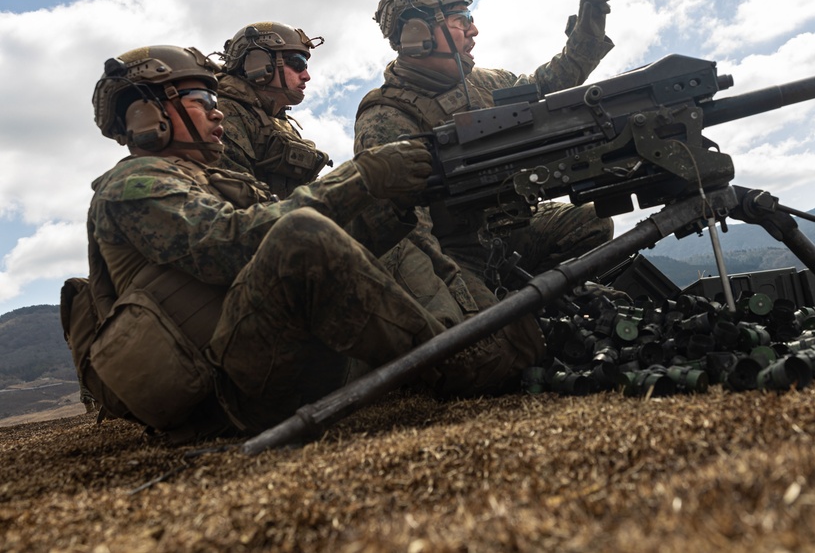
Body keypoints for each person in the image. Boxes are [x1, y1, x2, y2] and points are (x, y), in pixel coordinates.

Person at [68, 44, 543, 441]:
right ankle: (462, 367)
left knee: (386, 226)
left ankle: (489, 335)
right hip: (224, 394)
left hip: (275, 361)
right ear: (146, 114)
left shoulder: (210, 177)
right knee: (303, 235)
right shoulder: (134, 184)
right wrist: (363, 176)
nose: (218, 111)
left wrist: (395, 204)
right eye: (198, 97)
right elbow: (234, 247)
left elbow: (321, 251)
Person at [354, 0, 616, 325]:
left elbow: (541, 92)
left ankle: (544, 307)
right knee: (501, 337)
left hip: (509, 234)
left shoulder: (486, 82)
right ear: (418, 33)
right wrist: (463, 303)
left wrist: (583, 44)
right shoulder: (387, 115)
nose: (473, 30)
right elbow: (412, 236)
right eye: (461, 20)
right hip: (457, 258)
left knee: (590, 223)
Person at [215, 21, 331, 199]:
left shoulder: (279, 122)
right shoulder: (224, 113)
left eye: (306, 66)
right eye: (297, 63)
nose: (306, 76)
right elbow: (236, 199)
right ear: (259, 62)